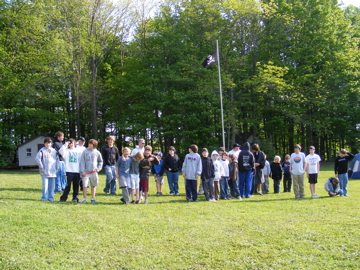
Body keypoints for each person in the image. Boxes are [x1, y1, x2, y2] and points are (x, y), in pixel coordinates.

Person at [59, 138, 83, 202]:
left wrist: (81, 170)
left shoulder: (78, 151)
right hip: (69, 171)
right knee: (68, 186)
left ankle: (75, 198)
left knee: (76, 185)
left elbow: (81, 160)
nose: (71, 144)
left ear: (75, 144)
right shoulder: (66, 151)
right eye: (70, 143)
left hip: (77, 171)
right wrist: (65, 144)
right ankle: (63, 198)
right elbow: (60, 151)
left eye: (72, 143)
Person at [35, 137, 59, 202]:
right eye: (46, 143)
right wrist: (41, 167)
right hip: (45, 171)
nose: (48, 144)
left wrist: (57, 168)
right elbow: (37, 159)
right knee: (45, 186)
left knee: (51, 187)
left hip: (53, 172)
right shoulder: (41, 151)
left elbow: (57, 160)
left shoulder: (54, 151)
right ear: (44, 144)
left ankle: (51, 198)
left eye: (49, 143)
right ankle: (44, 198)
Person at [79, 139, 103, 203]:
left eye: (91, 144)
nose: (89, 145)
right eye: (89, 143)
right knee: (85, 185)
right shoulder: (85, 151)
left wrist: (98, 168)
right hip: (86, 172)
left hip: (94, 172)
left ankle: (93, 198)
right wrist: (82, 171)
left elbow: (100, 161)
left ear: (94, 145)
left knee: (93, 185)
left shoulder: (97, 152)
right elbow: (82, 162)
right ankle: (84, 198)